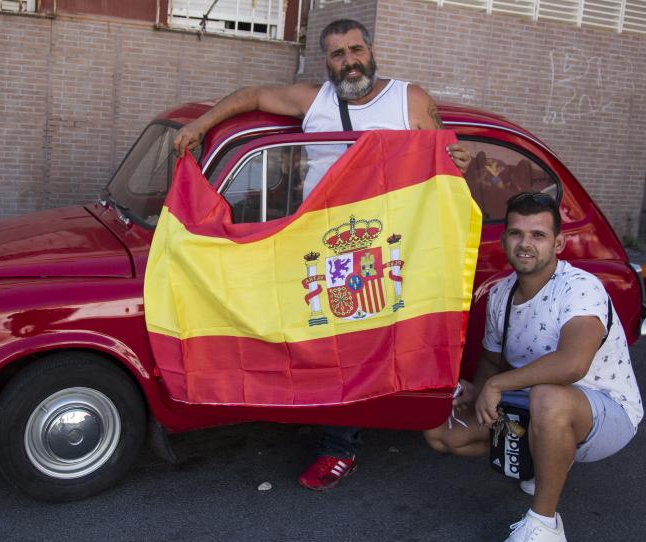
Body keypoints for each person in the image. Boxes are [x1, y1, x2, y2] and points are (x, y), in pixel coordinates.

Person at [173, 18, 472, 492]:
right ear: (326, 62)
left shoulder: (410, 100)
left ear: (370, 51)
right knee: (333, 348)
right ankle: (331, 433)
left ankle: (360, 438)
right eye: (338, 54)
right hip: (327, 248)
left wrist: (459, 161)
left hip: (392, 247)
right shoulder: (315, 100)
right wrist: (200, 124)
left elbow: (446, 166)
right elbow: (254, 95)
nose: (349, 61)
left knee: (388, 341)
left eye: (356, 50)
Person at [423, 192, 644, 542]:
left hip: (607, 411)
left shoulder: (580, 287)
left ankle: (545, 525)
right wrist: (480, 390)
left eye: (538, 235)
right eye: (516, 233)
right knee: (442, 432)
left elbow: (572, 364)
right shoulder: (500, 294)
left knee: (548, 398)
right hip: (534, 402)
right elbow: (490, 360)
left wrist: (498, 386)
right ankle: (544, 461)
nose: (525, 243)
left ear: (557, 243)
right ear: (504, 239)